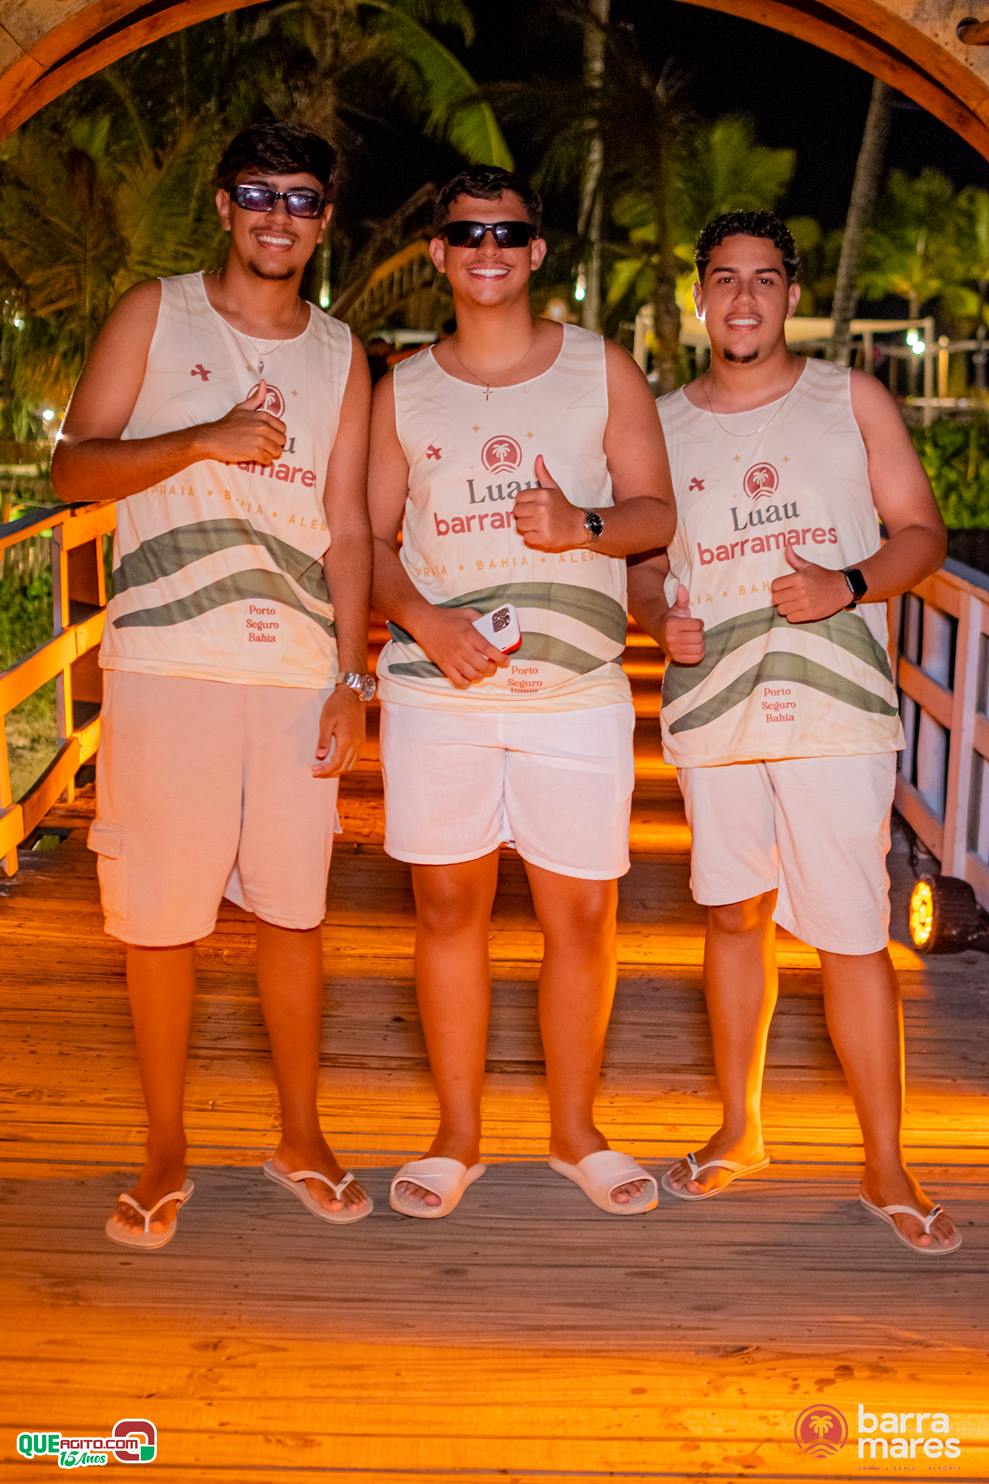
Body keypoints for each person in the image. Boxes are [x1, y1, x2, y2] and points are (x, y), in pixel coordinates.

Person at [51, 120, 375, 1248]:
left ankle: (301, 1135)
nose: (278, 216)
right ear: (227, 205)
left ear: (323, 221)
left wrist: (350, 674)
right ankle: (163, 1151)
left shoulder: (342, 352)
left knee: (295, 911)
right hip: (168, 659)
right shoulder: (157, 312)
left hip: (293, 670)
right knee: (159, 920)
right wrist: (202, 438)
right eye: (259, 193)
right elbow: (74, 465)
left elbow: (346, 526)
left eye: (301, 199)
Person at [628, 210, 960, 1255]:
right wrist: (657, 616)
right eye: (724, 278)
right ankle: (739, 1128)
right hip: (712, 702)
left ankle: (884, 1163)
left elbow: (920, 533)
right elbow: (642, 562)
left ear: (790, 295)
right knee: (733, 915)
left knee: (851, 933)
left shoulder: (847, 397)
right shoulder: (656, 423)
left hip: (833, 706)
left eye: (763, 279)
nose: (742, 298)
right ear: (699, 296)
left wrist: (846, 583)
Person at [368, 165, 675, 1219]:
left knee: (580, 913)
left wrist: (580, 524)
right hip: (438, 689)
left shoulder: (600, 367)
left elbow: (653, 513)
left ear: (536, 250)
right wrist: (425, 622)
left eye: (506, 233)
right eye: (465, 234)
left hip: (575, 690)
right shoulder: (402, 387)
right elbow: (366, 541)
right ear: (439, 254)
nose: (486, 250)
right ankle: (455, 1137)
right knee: (447, 907)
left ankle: (574, 1132)